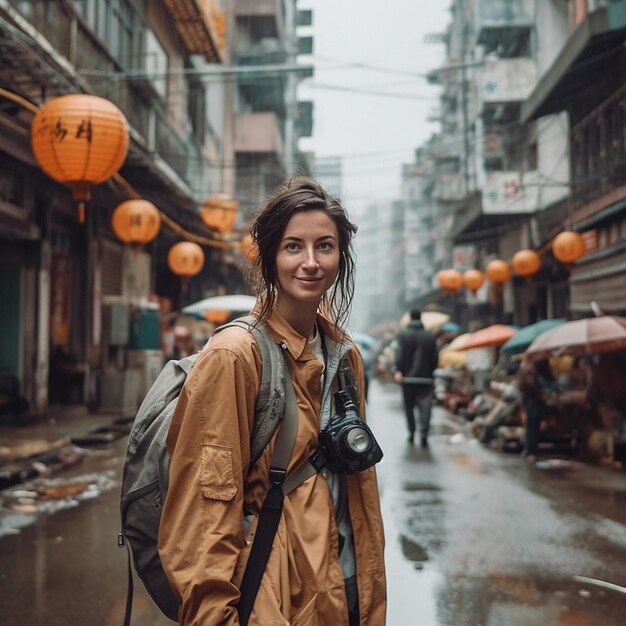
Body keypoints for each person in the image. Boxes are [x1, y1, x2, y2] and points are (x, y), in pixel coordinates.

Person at [158, 177, 386, 625]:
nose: (310, 262)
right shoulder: (235, 356)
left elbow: (355, 494)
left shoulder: (344, 355)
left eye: (325, 246)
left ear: (341, 256)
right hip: (272, 596)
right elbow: (203, 517)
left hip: (345, 590)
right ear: (269, 256)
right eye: (293, 247)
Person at [393, 309, 439, 446]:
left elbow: (399, 355)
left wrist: (399, 370)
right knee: (425, 407)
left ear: (410, 318)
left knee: (409, 407)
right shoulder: (430, 336)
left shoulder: (403, 335)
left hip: (407, 379)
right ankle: (424, 434)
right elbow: (435, 358)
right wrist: (430, 371)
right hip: (426, 379)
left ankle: (412, 431)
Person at [516, 357, 556, 463]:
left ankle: (530, 450)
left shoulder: (529, 367)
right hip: (532, 399)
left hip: (533, 399)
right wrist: (541, 394)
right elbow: (530, 384)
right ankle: (530, 451)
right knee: (532, 424)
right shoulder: (530, 368)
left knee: (533, 424)